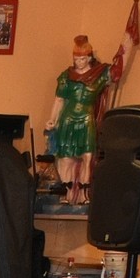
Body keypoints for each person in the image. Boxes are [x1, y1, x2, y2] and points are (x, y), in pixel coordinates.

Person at [45, 36, 111, 205]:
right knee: (66, 158)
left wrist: (127, 44)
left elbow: (117, 71)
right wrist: (52, 119)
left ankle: (83, 194)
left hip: (86, 119)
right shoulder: (66, 77)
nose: (79, 62)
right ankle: (67, 193)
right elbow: (59, 100)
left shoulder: (98, 75)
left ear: (89, 58)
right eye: (76, 59)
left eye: (82, 59)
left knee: (87, 157)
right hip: (68, 120)